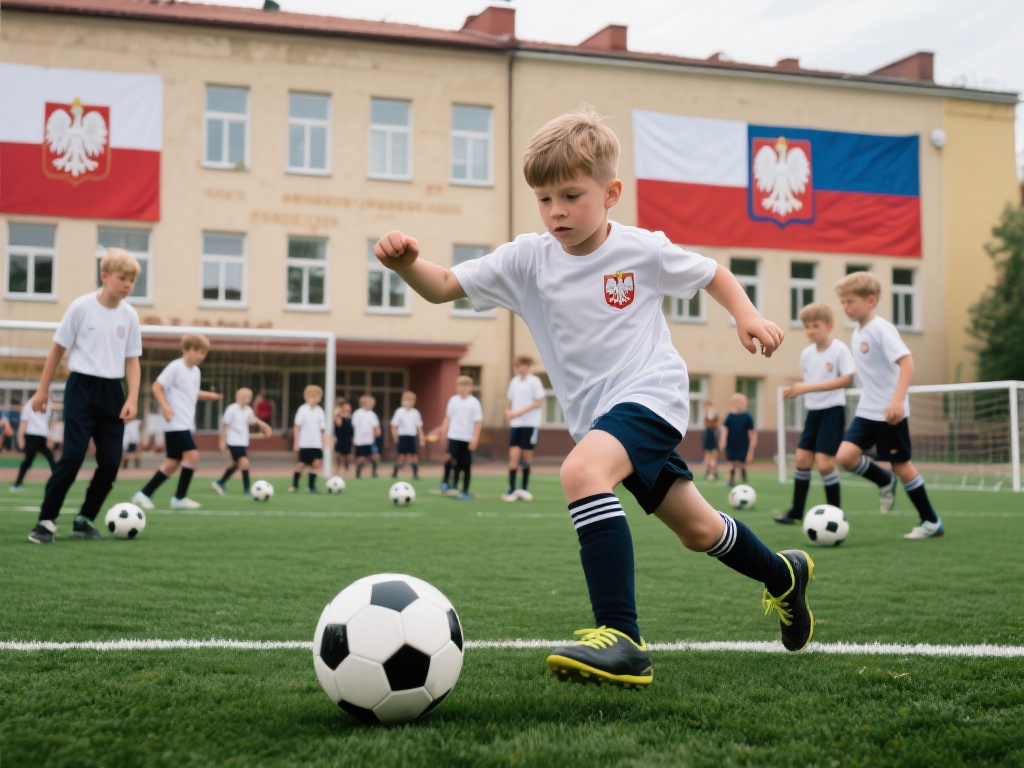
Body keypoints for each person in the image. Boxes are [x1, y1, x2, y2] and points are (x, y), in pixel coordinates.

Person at [375, 105, 810, 687]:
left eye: (571, 196)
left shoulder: (641, 250)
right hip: (599, 418)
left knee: (582, 472)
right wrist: (407, 265)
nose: (556, 211)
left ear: (611, 194)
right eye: (544, 198)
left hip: (651, 397)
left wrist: (747, 315)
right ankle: (783, 575)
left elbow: (712, 273)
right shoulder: (527, 260)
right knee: (698, 531)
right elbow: (445, 286)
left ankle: (622, 638)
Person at [27, 247, 142, 544]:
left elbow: (132, 360)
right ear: (104, 276)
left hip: (112, 393)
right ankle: (45, 521)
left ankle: (84, 519)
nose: (128, 284)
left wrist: (131, 399)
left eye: (132, 280)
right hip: (81, 389)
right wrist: (42, 390)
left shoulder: (130, 316)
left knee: (111, 463)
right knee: (73, 456)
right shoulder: (81, 307)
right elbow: (57, 351)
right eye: (123, 278)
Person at [834, 272, 944, 539]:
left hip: (890, 412)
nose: (846, 307)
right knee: (845, 457)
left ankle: (931, 522)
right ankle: (884, 480)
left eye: (851, 302)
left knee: (902, 466)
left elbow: (907, 362)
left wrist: (897, 401)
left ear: (870, 300)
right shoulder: (857, 332)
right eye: (843, 303)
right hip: (868, 409)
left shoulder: (881, 328)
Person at [774, 303, 854, 524]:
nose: (810, 331)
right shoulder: (806, 354)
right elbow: (809, 383)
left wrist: (804, 388)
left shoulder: (839, 349)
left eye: (815, 326)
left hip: (833, 412)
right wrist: (798, 390)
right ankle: (796, 512)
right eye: (806, 327)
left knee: (825, 463)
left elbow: (846, 379)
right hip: (813, 413)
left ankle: (836, 516)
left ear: (829, 326)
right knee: (801, 460)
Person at [133, 334, 221, 510]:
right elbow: (157, 387)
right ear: (188, 349)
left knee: (172, 464)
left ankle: (142, 495)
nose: (202, 356)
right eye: (199, 352)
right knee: (192, 456)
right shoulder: (175, 367)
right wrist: (165, 407)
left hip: (186, 422)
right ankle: (179, 499)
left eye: (204, 353)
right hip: (175, 422)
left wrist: (208, 395)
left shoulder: (196, 372)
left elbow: (191, 392)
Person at [213, 387, 272, 496]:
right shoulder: (231, 409)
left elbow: (253, 420)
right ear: (238, 397)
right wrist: (222, 441)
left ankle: (220, 482)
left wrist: (265, 426)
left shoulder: (248, 410)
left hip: (242, 441)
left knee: (235, 464)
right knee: (244, 462)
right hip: (233, 441)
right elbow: (225, 426)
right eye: (243, 396)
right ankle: (246, 489)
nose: (246, 399)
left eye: (248, 397)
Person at [502, 355, 546, 502]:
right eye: (520, 364)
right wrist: (507, 411)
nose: (523, 367)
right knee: (513, 456)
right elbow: (508, 399)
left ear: (528, 366)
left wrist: (519, 412)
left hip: (530, 424)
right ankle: (512, 490)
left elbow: (539, 401)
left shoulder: (534, 381)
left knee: (527, 457)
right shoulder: (514, 382)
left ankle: (524, 489)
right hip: (516, 425)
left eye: (525, 364)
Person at [438, 375, 482, 500]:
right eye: (460, 385)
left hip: (467, 438)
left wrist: (475, 438)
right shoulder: (453, 400)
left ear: (471, 388)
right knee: (450, 458)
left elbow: (478, 422)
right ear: (457, 387)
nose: (463, 388)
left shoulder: (474, 402)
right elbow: (448, 417)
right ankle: (446, 483)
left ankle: (465, 489)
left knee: (465, 464)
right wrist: (443, 431)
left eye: (466, 386)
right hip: (454, 436)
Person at [12, 397, 57, 491]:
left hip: (40, 436)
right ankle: (17, 483)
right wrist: (20, 439)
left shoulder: (47, 404)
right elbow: (24, 422)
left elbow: (46, 423)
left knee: (48, 458)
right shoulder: (30, 404)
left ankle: (58, 479)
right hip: (33, 436)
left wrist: (49, 438)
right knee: (30, 460)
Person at [290, 384, 328, 493]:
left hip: (316, 444)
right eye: (317, 395)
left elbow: (322, 428)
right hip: (305, 443)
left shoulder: (320, 410)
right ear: (309, 396)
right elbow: (297, 427)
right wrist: (296, 442)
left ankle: (312, 487)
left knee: (316, 464)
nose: (319, 398)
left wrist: (325, 439)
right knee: (301, 465)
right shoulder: (302, 409)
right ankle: (295, 485)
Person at [720, 393, 756, 487]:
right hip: (732, 443)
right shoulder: (730, 416)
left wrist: (751, 447)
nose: (738, 404)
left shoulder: (747, 417)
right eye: (736, 402)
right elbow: (725, 429)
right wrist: (723, 440)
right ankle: (731, 479)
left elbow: (752, 432)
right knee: (732, 461)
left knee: (742, 462)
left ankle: (743, 474)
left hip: (743, 443)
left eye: (741, 402)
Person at [390, 391, 425, 480]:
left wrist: (421, 437)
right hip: (402, 436)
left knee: (414, 455)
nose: (409, 402)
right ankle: (395, 471)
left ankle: (415, 474)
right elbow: (393, 425)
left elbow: (419, 427)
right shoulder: (399, 411)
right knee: (401, 456)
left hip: (412, 436)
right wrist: (395, 435)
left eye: (412, 400)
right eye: (407, 400)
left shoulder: (416, 412)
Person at [351, 394, 382, 479]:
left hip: (370, 440)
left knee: (374, 456)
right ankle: (358, 473)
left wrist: (378, 433)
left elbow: (376, 427)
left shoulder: (372, 414)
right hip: (359, 441)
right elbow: (353, 426)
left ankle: (374, 472)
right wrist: (353, 437)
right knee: (361, 458)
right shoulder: (357, 414)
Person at [700, 400, 720, 481]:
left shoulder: (710, 412)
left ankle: (710, 471)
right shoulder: (710, 412)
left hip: (710, 432)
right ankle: (711, 472)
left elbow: (714, 422)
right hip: (710, 432)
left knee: (710, 454)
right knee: (711, 454)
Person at [333, 399, 354, 475]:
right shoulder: (338, 416)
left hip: (348, 438)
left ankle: (347, 470)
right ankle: (337, 471)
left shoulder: (351, 417)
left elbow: (352, 429)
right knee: (339, 456)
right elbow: (338, 424)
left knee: (348, 455)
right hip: (340, 438)